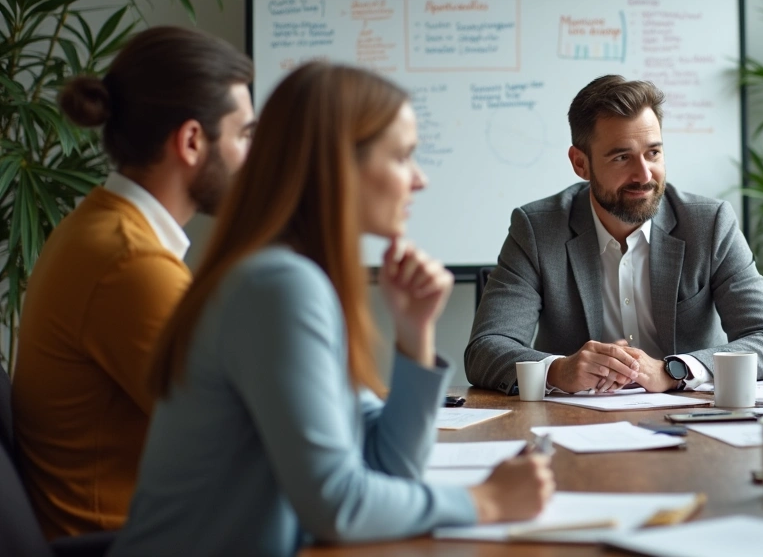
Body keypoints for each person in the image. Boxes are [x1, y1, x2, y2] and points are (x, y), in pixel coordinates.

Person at [111, 63, 553, 556]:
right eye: (404, 157)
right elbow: (336, 506)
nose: (420, 179)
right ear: (339, 165)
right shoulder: (278, 287)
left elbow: (388, 468)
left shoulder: (296, 277)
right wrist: (484, 501)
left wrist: (414, 334)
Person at [13, 26, 255, 538]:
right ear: (192, 141)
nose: (251, 158)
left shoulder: (108, 230)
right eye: (244, 136)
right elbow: (244, 433)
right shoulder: (128, 262)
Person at [465, 75, 763, 394]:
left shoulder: (709, 224)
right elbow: (486, 349)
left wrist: (674, 370)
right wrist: (560, 370)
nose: (644, 174)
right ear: (580, 163)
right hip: (574, 428)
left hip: (690, 425)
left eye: (653, 153)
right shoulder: (537, 229)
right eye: (622, 157)